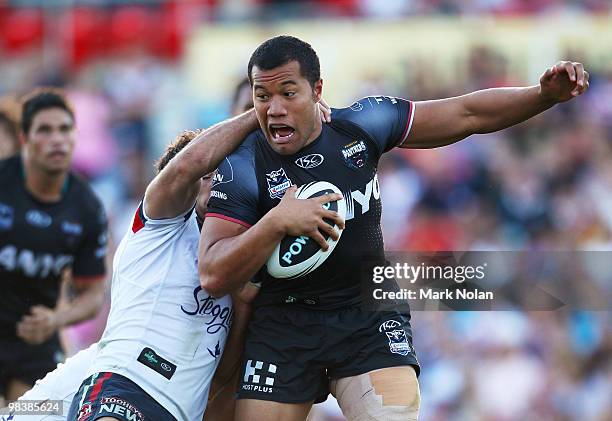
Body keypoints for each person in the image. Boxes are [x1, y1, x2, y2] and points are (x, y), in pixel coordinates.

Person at [199, 35, 589, 421]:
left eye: (288, 93)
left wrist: (541, 96)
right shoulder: (242, 167)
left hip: (366, 316)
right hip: (283, 326)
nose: (275, 109)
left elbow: (468, 113)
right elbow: (213, 273)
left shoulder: (362, 124)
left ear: (318, 90)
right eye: (262, 97)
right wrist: (275, 222)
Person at [8, 85, 331, 421]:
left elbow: (221, 377)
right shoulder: (163, 226)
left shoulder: (239, 259)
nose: (220, 181)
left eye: (226, 174)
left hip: (173, 411)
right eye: (210, 174)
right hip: (125, 384)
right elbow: (187, 166)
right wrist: (265, 114)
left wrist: (245, 299)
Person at [0, 88, 108, 404]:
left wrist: (55, 321)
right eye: (45, 130)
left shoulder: (87, 208)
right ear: (25, 139)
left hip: (35, 339)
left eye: (64, 129)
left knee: (36, 414)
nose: (57, 139)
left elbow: (92, 295)